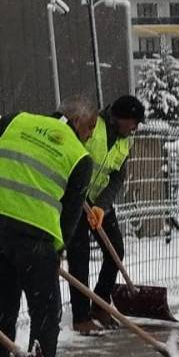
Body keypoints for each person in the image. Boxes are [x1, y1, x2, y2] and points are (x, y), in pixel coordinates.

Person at [0, 97, 95, 357]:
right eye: (91, 129)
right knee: (46, 310)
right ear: (82, 124)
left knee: (4, 305)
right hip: (34, 235)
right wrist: (57, 249)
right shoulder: (80, 156)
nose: (91, 136)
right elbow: (70, 214)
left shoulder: (17, 119)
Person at [66, 95, 145, 335]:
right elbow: (71, 157)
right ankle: (80, 318)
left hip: (99, 203)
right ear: (121, 118)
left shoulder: (126, 140)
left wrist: (102, 204)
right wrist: (75, 193)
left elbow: (118, 176)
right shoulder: (93, 124)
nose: (135, 128)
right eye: (134, 122)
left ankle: (100, 303)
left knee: (115, 249)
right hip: (75, 200)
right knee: (79, 256)